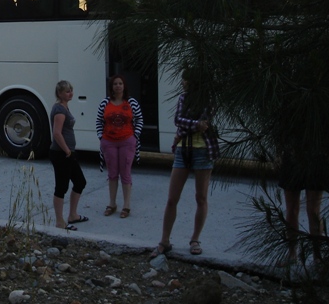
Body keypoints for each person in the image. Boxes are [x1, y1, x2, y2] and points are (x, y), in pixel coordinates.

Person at [151, 68, 219, 258]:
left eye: (186, 79)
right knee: (172, 198)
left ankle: (195, 239)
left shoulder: (209, 99)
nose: (183, 82)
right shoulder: (183, 98)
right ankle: (164, 241)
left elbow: (204, 122)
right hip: (183, 149)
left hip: (203, 150)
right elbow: (178, 120)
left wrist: (189, 126)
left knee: (201, 197)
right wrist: (194, 125)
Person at [96, 74, 143, 218]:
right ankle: (112, 204)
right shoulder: (105, 103)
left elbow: (139, 119)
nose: (118, 86)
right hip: (109, 142)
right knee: (112, 173)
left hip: (127, 141)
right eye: (115, 84)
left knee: (125, 172)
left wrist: (135, 136)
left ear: (124, 86)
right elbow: (99, 120)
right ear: (111, 87)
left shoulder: (131, 102)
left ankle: (126, 205)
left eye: (120, 83)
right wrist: (101, 137)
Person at [278, 141, 329, 265]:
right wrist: (279, 150)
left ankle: (317, 256)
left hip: (317, 154)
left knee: (313, 210)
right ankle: (292, 254)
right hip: (293, 152)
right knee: (291, 209)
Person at [49, 80, 88, 230]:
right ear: (59, 93)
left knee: (80, 182)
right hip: (61, 154)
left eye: (71, 90)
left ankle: (73, 215)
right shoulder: (59, 109)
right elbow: (57, 133)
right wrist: (67, 151)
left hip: (68, 153)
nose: (70, 93)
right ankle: (60, 221)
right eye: (67, 91)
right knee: (61, 187)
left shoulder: (65, 107)